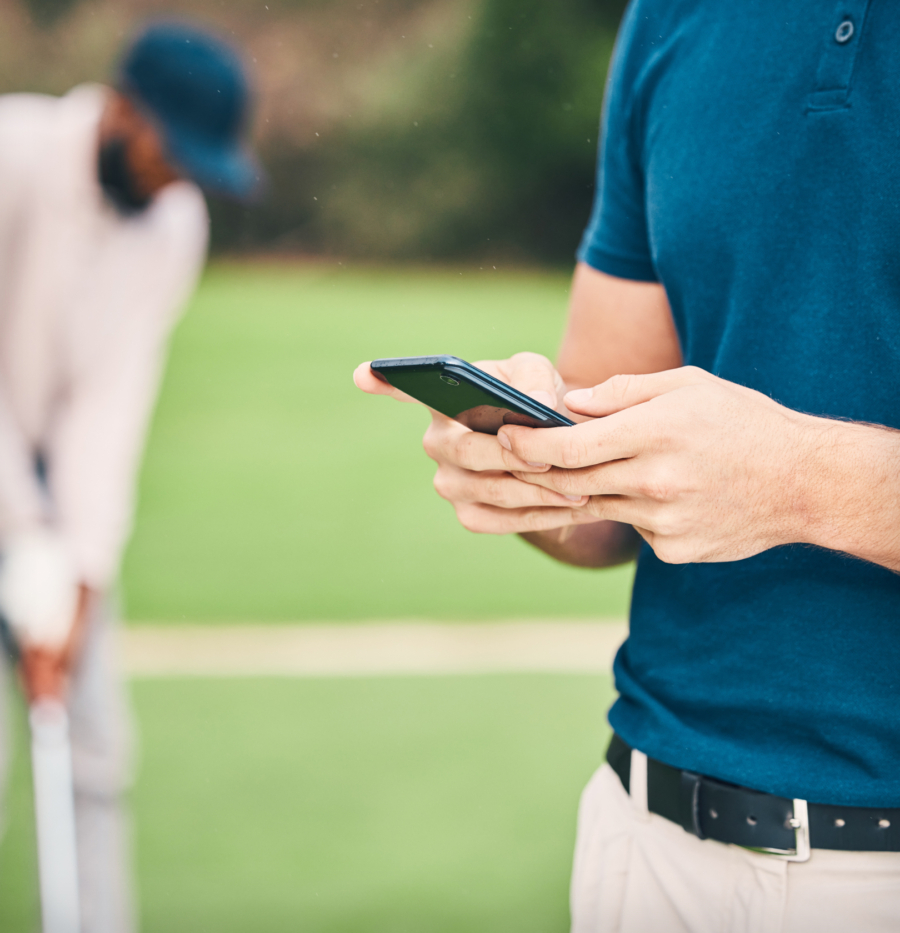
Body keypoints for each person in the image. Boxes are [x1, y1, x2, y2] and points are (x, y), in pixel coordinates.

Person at [356, 1, 900, 930]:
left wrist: (798, 482)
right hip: (645, 839)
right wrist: (533, 460)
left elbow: (761, 475)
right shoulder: (670, 16)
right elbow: (606, 496)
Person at [0, 22, 260, 933]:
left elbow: (110, 406)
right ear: (121, 109)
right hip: (16, 496)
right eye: (170, 151)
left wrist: (80, 574)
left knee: (94, 749)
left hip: (50, 509)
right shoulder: (10, 155)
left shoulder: (172, 225)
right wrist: (26, 534)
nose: (178, 177)